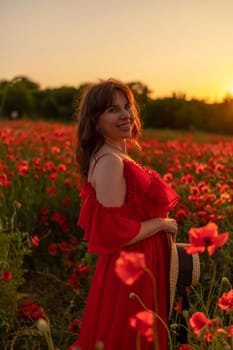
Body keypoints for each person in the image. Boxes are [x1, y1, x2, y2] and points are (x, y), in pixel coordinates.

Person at [68, 78, 179, 350]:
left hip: (139, 262)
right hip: (130, 268)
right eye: (112, 110)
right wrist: (161, 224)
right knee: (129, 338)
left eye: (126, 106)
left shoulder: (114, 156)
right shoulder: (109, 162)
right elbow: (114, 232)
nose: (125, 114)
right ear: (96, 121)